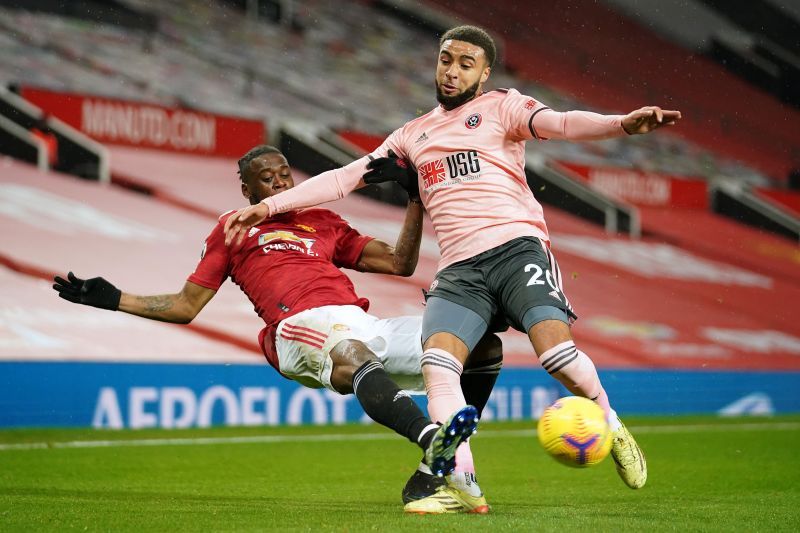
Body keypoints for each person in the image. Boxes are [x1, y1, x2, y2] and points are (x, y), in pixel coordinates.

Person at [223, 26, 682, 513]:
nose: (452, 70)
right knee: (439, 365)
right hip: (460, 270)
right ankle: (463, 482)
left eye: (466, 63)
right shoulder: (412, 135)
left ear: (484, 74)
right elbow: (343, 178)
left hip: (516, 249)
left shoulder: (503, 107)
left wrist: (623, 125)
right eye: (446, 59)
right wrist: (270, 208)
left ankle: (611, 423)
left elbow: (563, 123)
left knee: (556, 357)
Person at [53, 144, 504, 512]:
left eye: (285, 173)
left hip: (362, 322)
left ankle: (431, 473)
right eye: (267, 178)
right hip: (296, 327)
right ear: (248, 189)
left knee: (481, 347)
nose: (281, 183)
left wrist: (414, 199)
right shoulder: (234, 229)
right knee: (350, 352)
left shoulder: (325, 221)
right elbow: (186, 305)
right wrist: (115, 300)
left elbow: (401, 263)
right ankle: (433, 439)